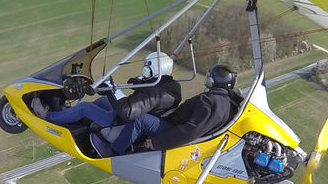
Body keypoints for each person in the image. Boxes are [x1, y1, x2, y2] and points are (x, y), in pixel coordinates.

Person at [90, 63, 237, 157]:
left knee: (141, 119)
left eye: (210, 77)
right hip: (175, 125)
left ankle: (112, 151)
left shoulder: (211, 102)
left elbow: (190, 130)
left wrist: (158, 142)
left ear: (213, 81)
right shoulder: (225, 101)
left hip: (173, 130)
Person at [36, 51, 181, 137]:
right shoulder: (169, 86)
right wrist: (117, 88)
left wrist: (113, 90)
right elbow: (143, 89)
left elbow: (127, 111)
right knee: (102, 102)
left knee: (84, 107)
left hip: (123, 123)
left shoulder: (155, 93)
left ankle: (48, 117)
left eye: (146, 66)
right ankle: (69, 118)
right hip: (136, 116)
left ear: (152, 68)